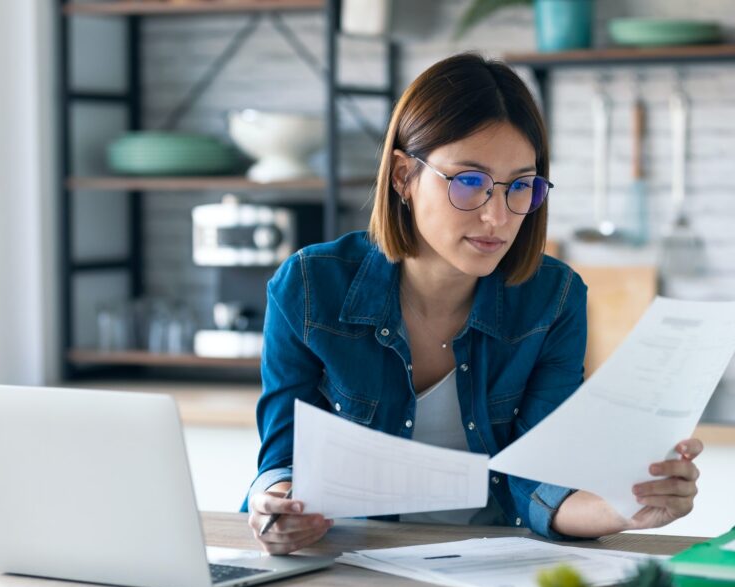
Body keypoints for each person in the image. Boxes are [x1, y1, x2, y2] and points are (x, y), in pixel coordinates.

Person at [245, 53, 702, 555]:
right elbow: (282, 462)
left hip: (494, 563)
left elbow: (540, 484)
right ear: (403, 176)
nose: (497, 217)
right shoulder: (310, 286)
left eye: (521, 187)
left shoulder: (554, 298)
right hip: (352, 562)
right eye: (469, 182)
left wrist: (625, 507)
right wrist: (278, 509)